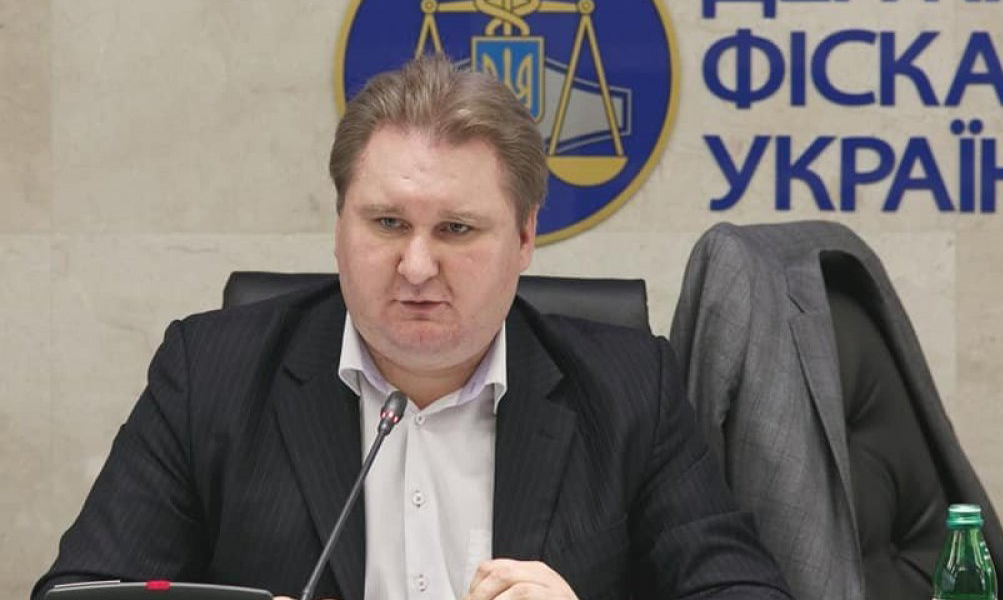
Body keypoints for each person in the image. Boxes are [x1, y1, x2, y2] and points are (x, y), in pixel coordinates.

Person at [33, 54, 792, 600]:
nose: (418, 266)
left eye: (457, 229)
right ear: (339, 227)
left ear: (525, 238)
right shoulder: (211, 377)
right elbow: (84, 590)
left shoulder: (628, 390)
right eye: (388, 223)